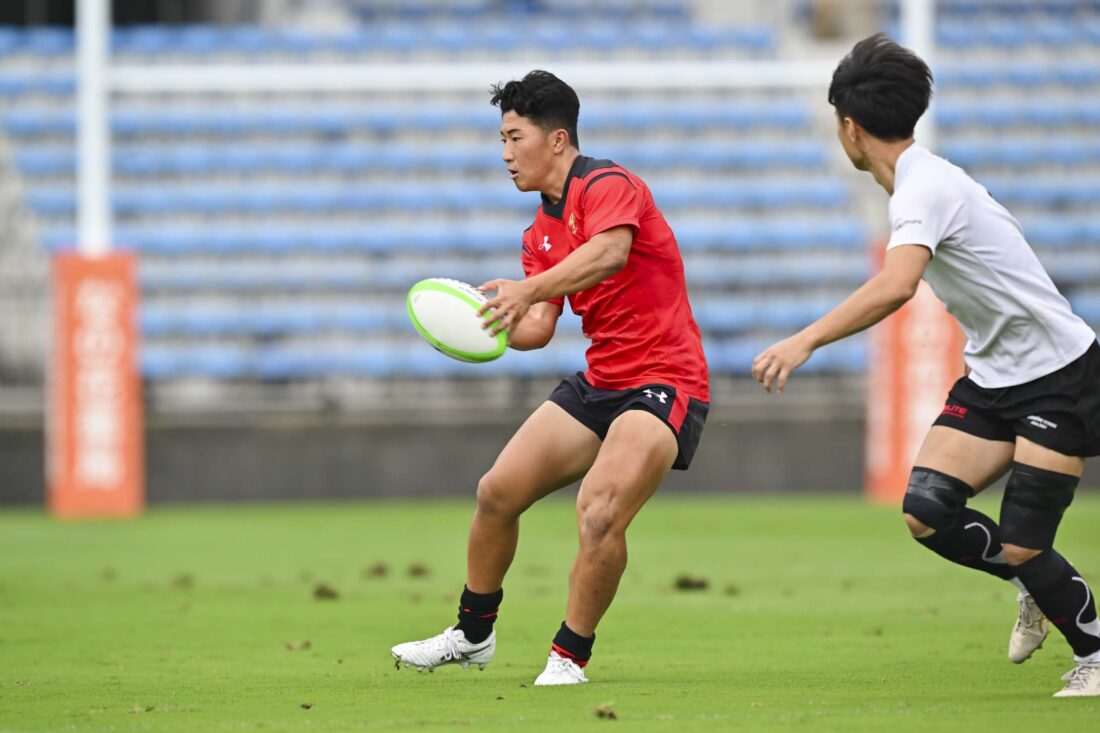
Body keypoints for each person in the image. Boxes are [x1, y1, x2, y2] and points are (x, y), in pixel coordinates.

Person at [751, 33, 1100, 698]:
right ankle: (1039, 586)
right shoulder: (919, 184)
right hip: (997, 374)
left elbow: (895, 286)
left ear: (849, 128)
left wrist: (805, 340)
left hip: (1062, 377)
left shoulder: (924, 187)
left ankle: (1095, 649)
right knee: (928, 509)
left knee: (1026, 542)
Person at [390, 70, 710, 685]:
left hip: (664, 381)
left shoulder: (608, 184)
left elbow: (611, 252)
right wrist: (485, 325)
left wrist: (529, 289)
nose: (505, 153)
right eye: (501, 140)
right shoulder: (538, 232)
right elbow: (539, 326)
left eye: (515, 137)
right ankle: (472, 635)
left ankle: (569, 656)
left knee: (598, 512)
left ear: (557, 139)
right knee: (496, 492)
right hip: (601, 380)